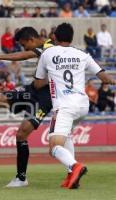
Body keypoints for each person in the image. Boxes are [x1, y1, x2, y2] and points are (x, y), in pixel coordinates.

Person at [34, 23, 116, 189]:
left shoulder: (47, 53)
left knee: (54, 146)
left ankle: (75, 166)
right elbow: (106, 79)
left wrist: (52, 77)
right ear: (72, 38)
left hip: (64, 106)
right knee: (67, 138)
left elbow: (37, 83)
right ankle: (72, 175)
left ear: (54, 37)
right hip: (82, 106)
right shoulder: (82, 54)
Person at [0, 26, 54, 187]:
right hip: (32, 89)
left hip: (45, 98)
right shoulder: (46, 46)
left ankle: (21, 178)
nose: (24, 48)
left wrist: (0, 56)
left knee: (21, 133)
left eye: (25, 44)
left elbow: (25, 55)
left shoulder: (48, 47)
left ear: (32, 39)